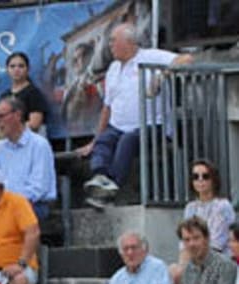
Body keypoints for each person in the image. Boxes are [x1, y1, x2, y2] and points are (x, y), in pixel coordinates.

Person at [80, 23, 191, 207]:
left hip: (152, 126)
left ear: (129, 42)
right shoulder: (113, 68)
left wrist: (162, 75)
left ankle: (112, 186)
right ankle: (100, 177)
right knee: (104, 140)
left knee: (128, 140)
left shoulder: (151, 56)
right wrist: (95, 139)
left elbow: (186, 59)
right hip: (118, 126)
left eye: (113, 41)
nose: (110, 45)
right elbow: (107, 107)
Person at [0, 94, 56, 220]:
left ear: (17, 115)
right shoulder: (0, 149)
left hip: (33, 205)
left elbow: (38, 189)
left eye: (1, 116)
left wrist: (7, 202)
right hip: (5, 204)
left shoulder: (39, 145)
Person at [171, 217, 238, 284]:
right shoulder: (186, 269)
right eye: (187, 240)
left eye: (196, 238)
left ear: (207, 238)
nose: (191, 244)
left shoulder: (225, 265)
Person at [184, 160, 234, 252]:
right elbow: (185, 242)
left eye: (205, 176)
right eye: (195, 176)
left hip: (220, 259)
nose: (200, 179)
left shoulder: (222, 206)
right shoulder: (190, 208)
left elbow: (217, 244)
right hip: (196, 258)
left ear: (214, 179)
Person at [4, 50, 49, 132]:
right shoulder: (4, 96)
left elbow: (34, 124)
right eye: (12, 66)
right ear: (7, 70)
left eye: (21, 66)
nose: (16, 69)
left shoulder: (34, 93)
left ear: (28, 69)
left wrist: (12, 129)